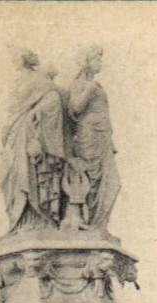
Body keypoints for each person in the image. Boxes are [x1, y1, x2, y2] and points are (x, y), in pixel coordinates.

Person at [2, 50, 70, 231]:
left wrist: (36, 115)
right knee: (13, 175)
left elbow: (54, 98)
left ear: (25, 59)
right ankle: (19, 220)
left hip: (31, 133)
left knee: (33, 174)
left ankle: (38, 219)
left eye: (16, 57)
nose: (13, 60)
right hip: (15, 133)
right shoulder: (18, 82)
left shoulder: (39, 80)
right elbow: (11, 107)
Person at [63, 46, 120, 232]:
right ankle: (89, 224)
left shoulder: (97, 85)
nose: (100, 63)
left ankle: (98, 225)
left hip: (102, 138)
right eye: (96, 59)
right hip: (88, 137)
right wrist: (88, 90)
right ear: (86, 62)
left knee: (112, 183)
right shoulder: (80, 84)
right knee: (90, 181)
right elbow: (75, 108)